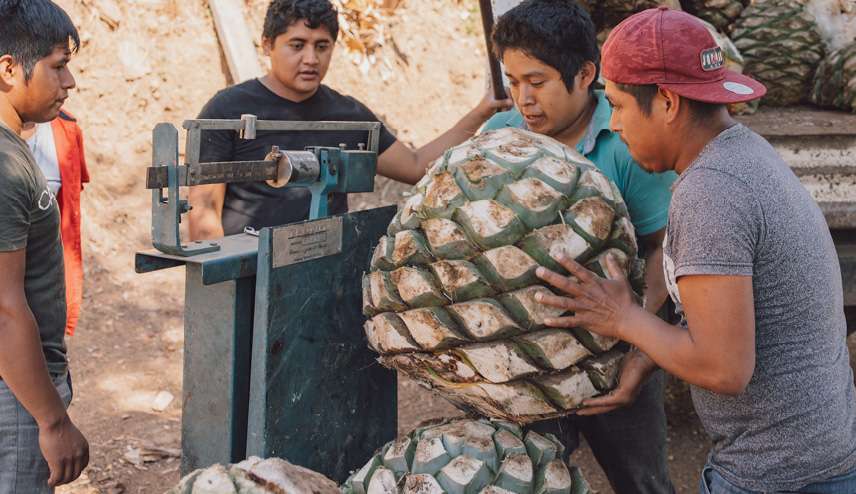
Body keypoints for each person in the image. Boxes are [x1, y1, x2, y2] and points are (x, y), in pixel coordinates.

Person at [535, 7, 856, 493]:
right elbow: (725, 315)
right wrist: (646, 356)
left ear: (666, 102)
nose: (615, 124)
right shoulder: (744, 151)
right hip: (818, 457)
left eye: (619, 105)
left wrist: (623, 318)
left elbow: (724, 368)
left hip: (777, 477)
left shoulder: (710, 191)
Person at [482, 2, 676, 492]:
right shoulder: (497, 139)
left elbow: (662, 249)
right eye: (513, 80)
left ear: (585, 74)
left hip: (614, 358)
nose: (524, 99)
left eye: (538, 80)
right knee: (522, 480)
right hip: (520, 364)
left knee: (642, 481)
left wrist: (639, 346)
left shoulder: (628, 140)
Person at [189, 0, 511, 239]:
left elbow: (415, 166)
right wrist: (227, 280)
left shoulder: (348, 115)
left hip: (323, 271)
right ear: (268, 45)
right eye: (297, 45)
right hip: (246, 269)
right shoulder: (227, 110)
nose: (311, 59)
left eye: (322, 46)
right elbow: (203, 215)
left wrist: (482, 111)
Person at [0, 0, 90, 491]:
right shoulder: (4, 164)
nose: (69, 82)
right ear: (9, 69)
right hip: (15, 395)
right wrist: (52, 421)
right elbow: (4, 309)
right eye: (58, 66)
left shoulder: (16, 147)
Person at [20, 112, 89, 337]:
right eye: (56, 73)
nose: (69, 83)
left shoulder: (66, 131)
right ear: (10, 74)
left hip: (42, 287)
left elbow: (68, 209)